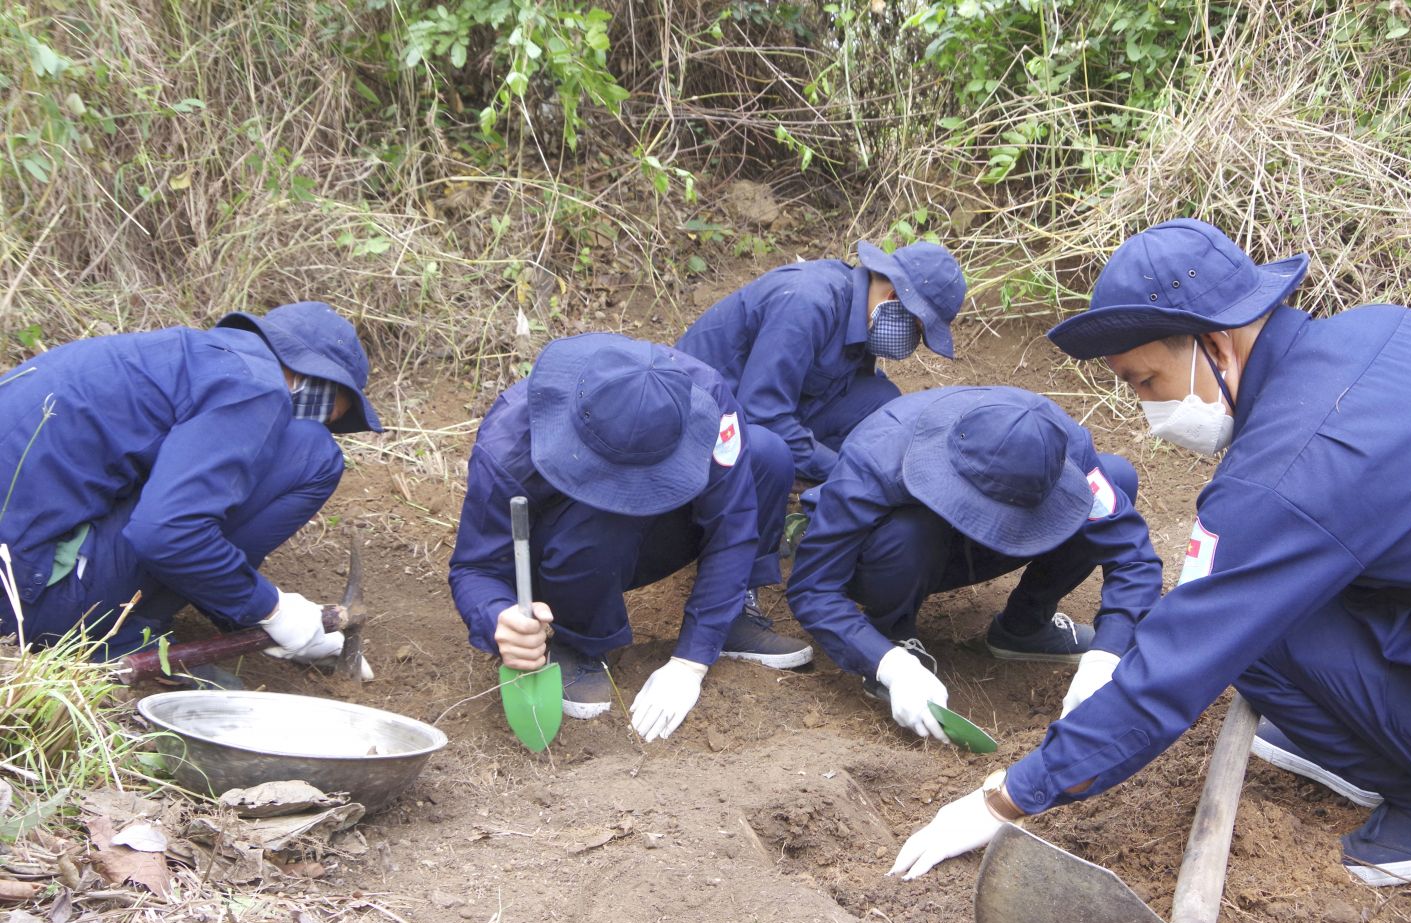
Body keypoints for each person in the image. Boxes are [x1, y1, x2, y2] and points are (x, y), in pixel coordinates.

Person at [890, 218, 1411, 886]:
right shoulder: (1388, 327)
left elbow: (1175, 668)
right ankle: (1378, 733)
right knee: (1281, 593)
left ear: (1218, 345)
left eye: (1146, 381)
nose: (1148, 411)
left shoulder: (1289, 469)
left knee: (1247, 635)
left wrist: (1003, 799)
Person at [448, 333, 813, 741]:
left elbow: (734, 524)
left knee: (766, 455)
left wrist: (692, 659)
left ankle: (729, 618)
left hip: (654, 531)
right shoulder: (510, 443)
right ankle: (579, 636)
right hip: (565, 546)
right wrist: (497, 616)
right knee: (600, 520)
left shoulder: (707, 399)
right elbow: (475, 567)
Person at [0, 302, 383, 671]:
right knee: (313, 453)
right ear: (318, 381)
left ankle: (228, 602)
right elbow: (165, 532)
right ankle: (106, 633)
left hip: (18, 570)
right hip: (26, 604)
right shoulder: (256, 386)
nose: (325, 423)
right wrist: (274, 610)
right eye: (333, 413)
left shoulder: (183, 357)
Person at [787, 385, 1162, 742]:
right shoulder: (880, 454)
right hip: (895, 556)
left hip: (974, 550)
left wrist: (1107, 654)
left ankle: (1024, 627)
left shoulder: (1060, 443)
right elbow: (813, 588)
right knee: (909, 532)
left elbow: (1131, 555)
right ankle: (891, 634)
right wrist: (888, 665)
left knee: (1118, 478)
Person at [676, 240, 967, 484]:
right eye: (917, 329)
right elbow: (762, 415)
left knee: (882, 402)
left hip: (763, 407)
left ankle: (813, 479)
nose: (914, 342)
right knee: (774, 447)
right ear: (893, 298)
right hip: (704, 421)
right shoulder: (808, 303)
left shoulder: (862, 314)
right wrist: (843, 472)